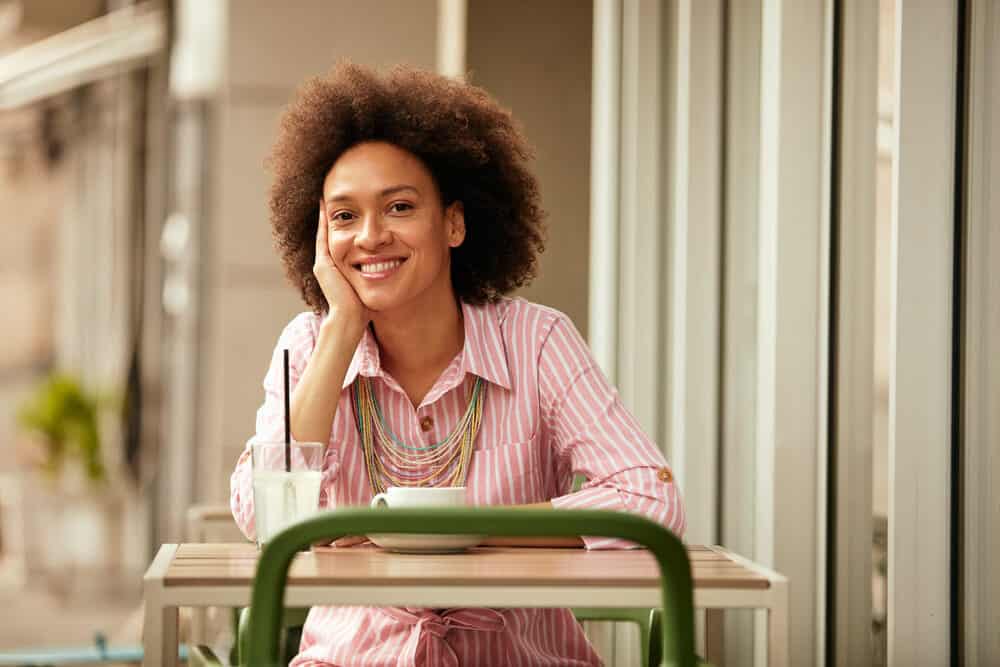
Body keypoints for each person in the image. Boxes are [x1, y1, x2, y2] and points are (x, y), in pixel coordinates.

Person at [231, 62, 685, 667]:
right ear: (318, 238)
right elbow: (267, 516)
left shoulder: (539, 340)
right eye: (344, 216)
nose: (369, 236)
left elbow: (650, 501)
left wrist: (445, 529)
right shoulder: (306, 346)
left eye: (398, 207)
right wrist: (340, 330)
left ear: (453, 222)